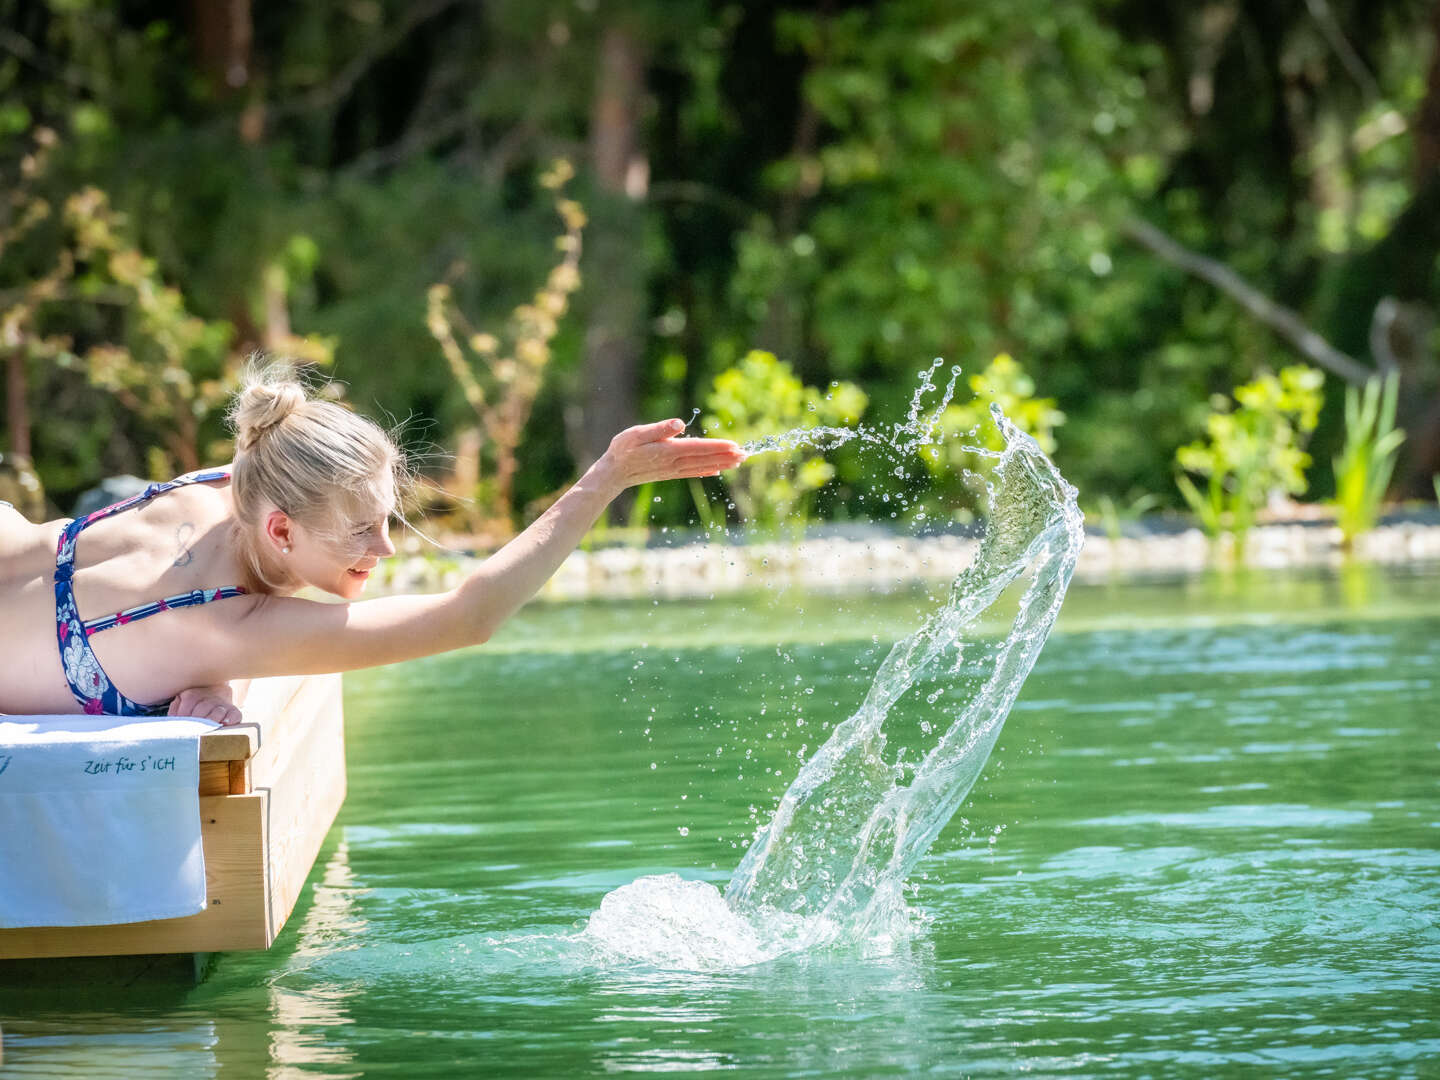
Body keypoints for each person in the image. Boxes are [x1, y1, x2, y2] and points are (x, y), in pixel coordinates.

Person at [0, 362, 745, 723]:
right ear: (280, 530)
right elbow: (467, 617)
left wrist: (215, 682)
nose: (384, 550)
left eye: (386, 518)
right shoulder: (229, 624)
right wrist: (603, 481)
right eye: (362, 530)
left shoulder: (237, 476)